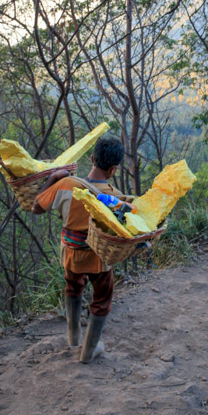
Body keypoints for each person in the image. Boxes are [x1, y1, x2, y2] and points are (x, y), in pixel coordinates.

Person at [32, 136, 133, 363]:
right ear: (114, 169)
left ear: (91, 158)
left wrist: (52, 179)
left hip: (70, 254)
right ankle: (88, 351)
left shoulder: (66, 185)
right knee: (102, 296)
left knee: (73, 287)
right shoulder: (113, 197)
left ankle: (73, 340)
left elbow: (36, 207)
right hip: (97, 257)